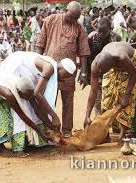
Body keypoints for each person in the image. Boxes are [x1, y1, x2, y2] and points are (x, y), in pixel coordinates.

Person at [36, 1, 90, 137]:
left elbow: (83, 51)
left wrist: (83, 72)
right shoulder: (51, 20)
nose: (73, 20)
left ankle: (66, 130)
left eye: (76, 18)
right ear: (66, 10)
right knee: (48, 98)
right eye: (71, 16)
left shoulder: (79, 28)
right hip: (49, 69)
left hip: (68, 72)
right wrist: (37, 62)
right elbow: (40, 43)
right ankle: (49, 128)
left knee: (68, 100)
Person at [0, 51, 77, 146]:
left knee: (33, 105)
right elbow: (37, 94)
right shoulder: (50, 68)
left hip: (26, 74)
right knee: (22, 105)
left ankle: (36, 140)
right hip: (16, 68)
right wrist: (54, 116)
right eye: (64, 76)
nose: (63, 80)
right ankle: (19, 144)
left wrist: (51, 124)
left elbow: (38, 101)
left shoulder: (52, 72)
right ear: (60, 68)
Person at [84, 42, 136, 143]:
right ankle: (105, 134)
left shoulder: (122, 58)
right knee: (106, 98)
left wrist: (126, 95)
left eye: (103, 71)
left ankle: (123, 134)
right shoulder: (96, 65)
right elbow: (93, 91)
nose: (100, 75)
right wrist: (87, 116)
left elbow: (134, 75)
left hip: (131, 64)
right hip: (110, 63)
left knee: (126, 99)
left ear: (113, 65)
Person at [85, 17, 121, 115]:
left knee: (111, 96)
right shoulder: (91, 38)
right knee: (97, 95)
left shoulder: (116, 38)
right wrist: (86, 73)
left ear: (110, 29)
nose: (100, 34)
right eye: (99, 30)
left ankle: (110, 120)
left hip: (111, 71)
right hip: (96, 70)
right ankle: (98, 119)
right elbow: (87, 57)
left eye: (103, 32)